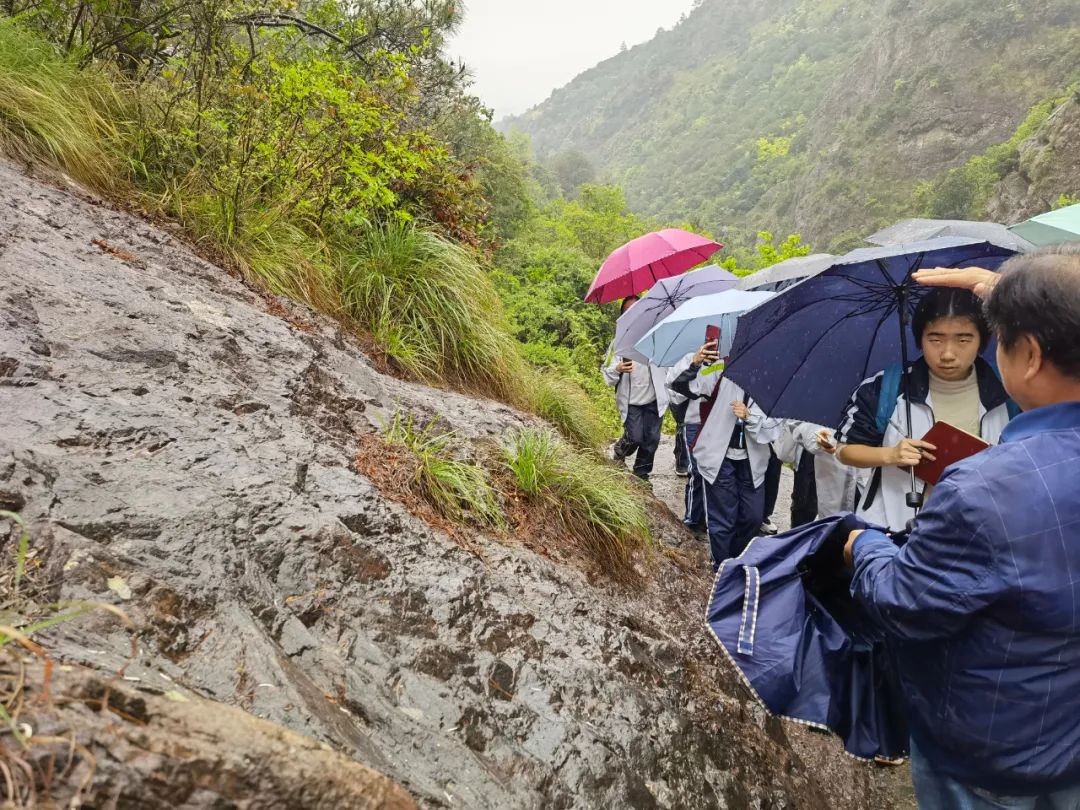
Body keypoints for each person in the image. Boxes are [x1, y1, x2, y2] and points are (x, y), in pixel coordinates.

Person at [844, 247, 1080, 809]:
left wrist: (864, 546)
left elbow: (903, 598)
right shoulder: (889, 389)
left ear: (1027, 354)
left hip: (987, 748)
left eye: (982, 338)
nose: (950, 353)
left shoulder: (983, 489)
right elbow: (848, 445)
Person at [835, 287, 1013, 532]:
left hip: (979, 530)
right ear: (920, 339)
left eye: (963, 339)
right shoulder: (887, 387)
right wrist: (890, 455)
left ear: (982, 340)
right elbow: (846, 450)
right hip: (895, 527)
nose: (948, 353)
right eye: (935, 339)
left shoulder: (1008, 393)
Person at [671, 339, 780, 568]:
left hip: (753, 459)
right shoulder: (717, 367)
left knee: (752, 517)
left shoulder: (770, 374)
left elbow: (775, 427)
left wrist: (750, 417)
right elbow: (680, 387)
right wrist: (695, 363)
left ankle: (738, 561)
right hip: (719, 455)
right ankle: (723, 568)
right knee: (723, 519)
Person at [601, 296, 670, 481]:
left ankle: (641, 476)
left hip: (654, 398)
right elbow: (606, 373)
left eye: (636, 309)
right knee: (635, 437)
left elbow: (669, 363)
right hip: (631, 401)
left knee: (651, 441)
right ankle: (617, 450)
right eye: (627, 311)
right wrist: (618, 369)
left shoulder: (657, 336)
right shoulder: (618, 342)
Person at [667, 351, 708, 533]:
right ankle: (693, 520)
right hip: (695, 422)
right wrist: (695, 364)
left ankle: (710, 519)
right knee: (698, 472)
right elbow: (674, 386)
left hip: (721, 424)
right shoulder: (691, 356)